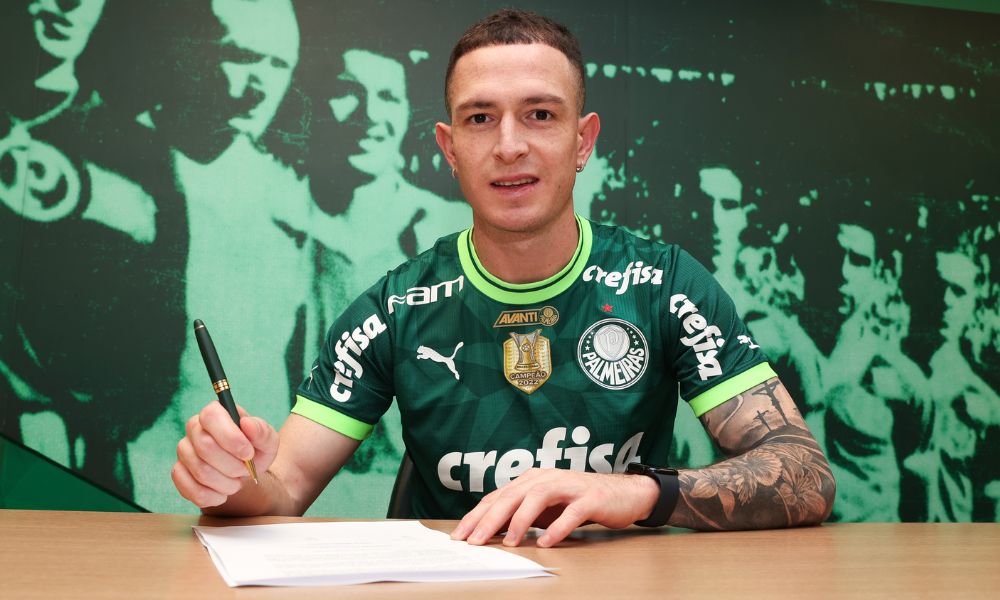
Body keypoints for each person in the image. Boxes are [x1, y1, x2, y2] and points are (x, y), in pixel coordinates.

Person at [172, 9, 835, 547]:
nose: (509, 145)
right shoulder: (395, 307)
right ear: (449, 148)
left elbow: (806, 474)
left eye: (540, 114)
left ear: (583, 140)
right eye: (480, 118)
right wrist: (228, 477)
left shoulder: (662, 283)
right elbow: (280, 490)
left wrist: (634, 493)